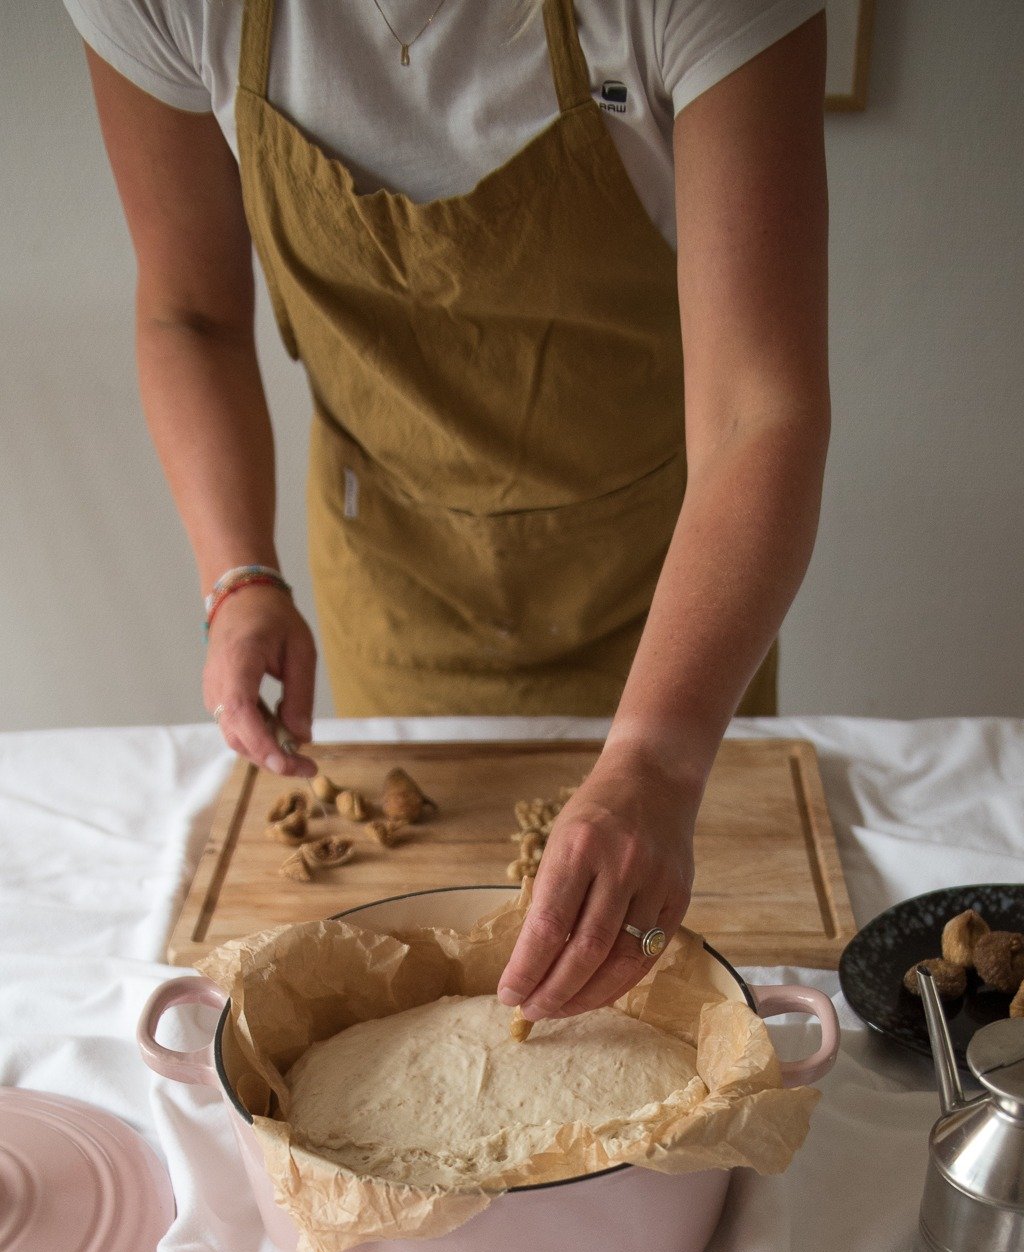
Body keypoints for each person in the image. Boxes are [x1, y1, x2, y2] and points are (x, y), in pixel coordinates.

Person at [70, 0, 829, 1025]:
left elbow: (757, 411)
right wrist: (239, 573)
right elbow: (190, 313)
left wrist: (657, 755)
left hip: (666, 587)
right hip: (394, 570)